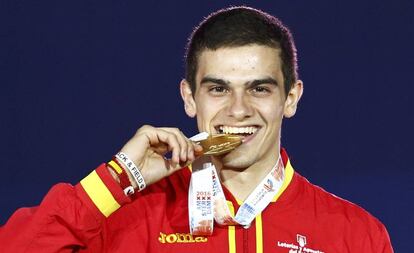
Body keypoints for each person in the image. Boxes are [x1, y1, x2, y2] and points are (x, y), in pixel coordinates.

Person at [0, 6, 393, 253]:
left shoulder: (356, 235)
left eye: (259, 88)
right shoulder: (127, 220)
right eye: (218, 88)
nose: (238, 110)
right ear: (189, 98)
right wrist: (118, 179)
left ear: (291, 98)